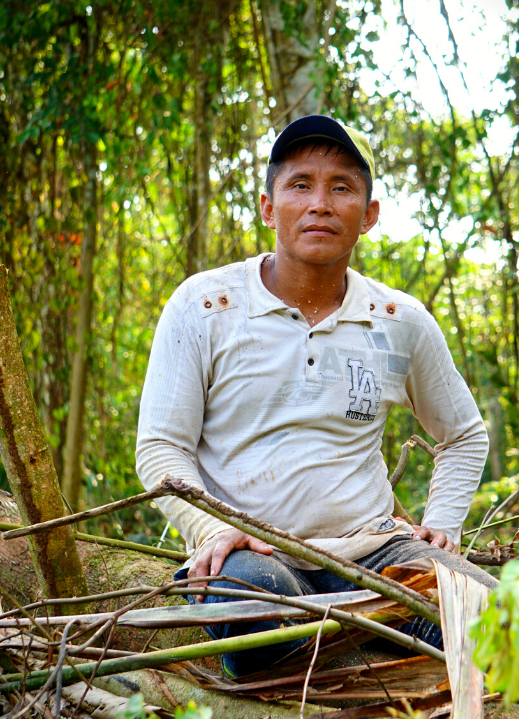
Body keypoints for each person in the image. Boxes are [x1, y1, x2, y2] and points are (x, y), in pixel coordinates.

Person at [136, 114, 497, 679]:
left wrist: (443, 523)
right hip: (253, 554)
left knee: (494, 620)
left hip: (375, 551)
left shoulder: (397, 320)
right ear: (267, 207)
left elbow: (464, 435)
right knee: (256, 618)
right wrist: (213, 529)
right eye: (300, 185)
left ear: (368, 215)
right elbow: (161, 447)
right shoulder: (206, 306)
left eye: (342, 188)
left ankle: (382, 633)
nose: (320, 204)